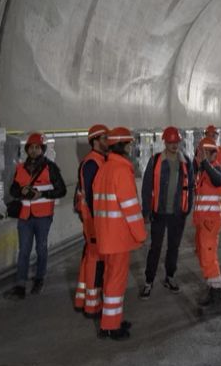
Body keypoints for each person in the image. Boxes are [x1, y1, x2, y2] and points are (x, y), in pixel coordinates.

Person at [93, 127, 146, 340]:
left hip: (106, 236)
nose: (132, 148)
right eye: (130, 144)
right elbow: (131, 208)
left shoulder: (104, 169)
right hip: (118, 238)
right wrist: (141, 234)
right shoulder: (121, 171)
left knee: (109, 278)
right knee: (116, 280)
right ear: (121, 145)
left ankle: (110, 319)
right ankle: (111, 326)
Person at [5, 132, 67, 299]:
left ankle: (39, 278)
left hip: (43, 216)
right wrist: (21, 191)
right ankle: (20, 285)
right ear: (27, 150)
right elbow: (13, 190)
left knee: (41, 248)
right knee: (23, 250)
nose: (33, 150)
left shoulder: (50, 168)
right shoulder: (20, 168)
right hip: (25, 216)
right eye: (30, 148)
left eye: (37, 147)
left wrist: (42, 195)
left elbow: (61, 190)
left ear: (42, 149)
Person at [140, 126, 194, 298]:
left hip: (178, 214)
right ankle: (149, 281)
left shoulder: (185, 161)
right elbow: (147, 186)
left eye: (176, 141)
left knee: (174, 247)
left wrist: (187, 208)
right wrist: (146, 210)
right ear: (165, 142)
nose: (174, 145)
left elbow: (190, 187)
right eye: (170, 142)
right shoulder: (155, 160)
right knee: (155, 248)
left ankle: (170, 277)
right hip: (159, 212)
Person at [73, 124, 109, 317]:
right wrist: (102, 222)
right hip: (94, 221)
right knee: (96, 260)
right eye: (104, 138)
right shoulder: (91, 163)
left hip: (96, 219)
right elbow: (93, 197)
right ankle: (92, 306)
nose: (108, 142)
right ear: (95, 141)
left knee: (91, 258)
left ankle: (83, 300)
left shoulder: (101, 160)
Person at [193, 137, 221, 314]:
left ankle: (217, 301)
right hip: (202, 223)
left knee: (209, 259)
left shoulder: (218, 170)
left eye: (208, 152)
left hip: (211, 223)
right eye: (202, 152)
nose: (204, 156)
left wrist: (205, 163)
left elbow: (219, 180)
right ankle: (211, 291)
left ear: (215, 153)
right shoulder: (202, 173)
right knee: (203, 258)